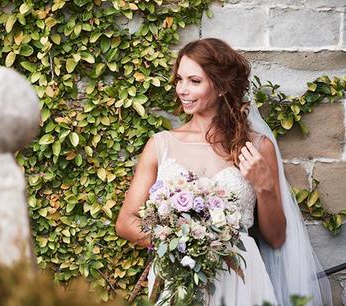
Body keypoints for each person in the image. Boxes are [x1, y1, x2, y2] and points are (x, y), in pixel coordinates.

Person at [115, 38, 332, 306]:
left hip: (240, 279)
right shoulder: (161, 145)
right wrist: (184, 243)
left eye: (194, 81)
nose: (182, 89)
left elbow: (276, 239)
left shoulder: (256, 147)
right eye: (179, 80)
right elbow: (126, 222)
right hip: (177, 276)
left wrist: (264, 187)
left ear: (219, 86)